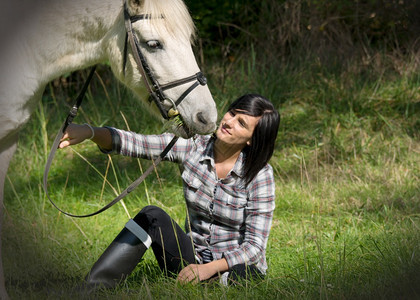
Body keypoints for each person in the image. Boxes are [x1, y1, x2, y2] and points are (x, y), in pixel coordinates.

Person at [59, 94, 280, 292]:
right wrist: (90, 132)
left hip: (234, 268)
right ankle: (90, 288)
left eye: (241, 123)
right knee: (151, 215)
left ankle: (212, 284)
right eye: (232, 113)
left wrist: (211, 269)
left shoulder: (260, 175)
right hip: (193, 259)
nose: (229, 122)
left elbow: (254, 247)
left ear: (252, 139)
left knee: (243, 277)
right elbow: (139, 143)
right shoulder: (194, 146)